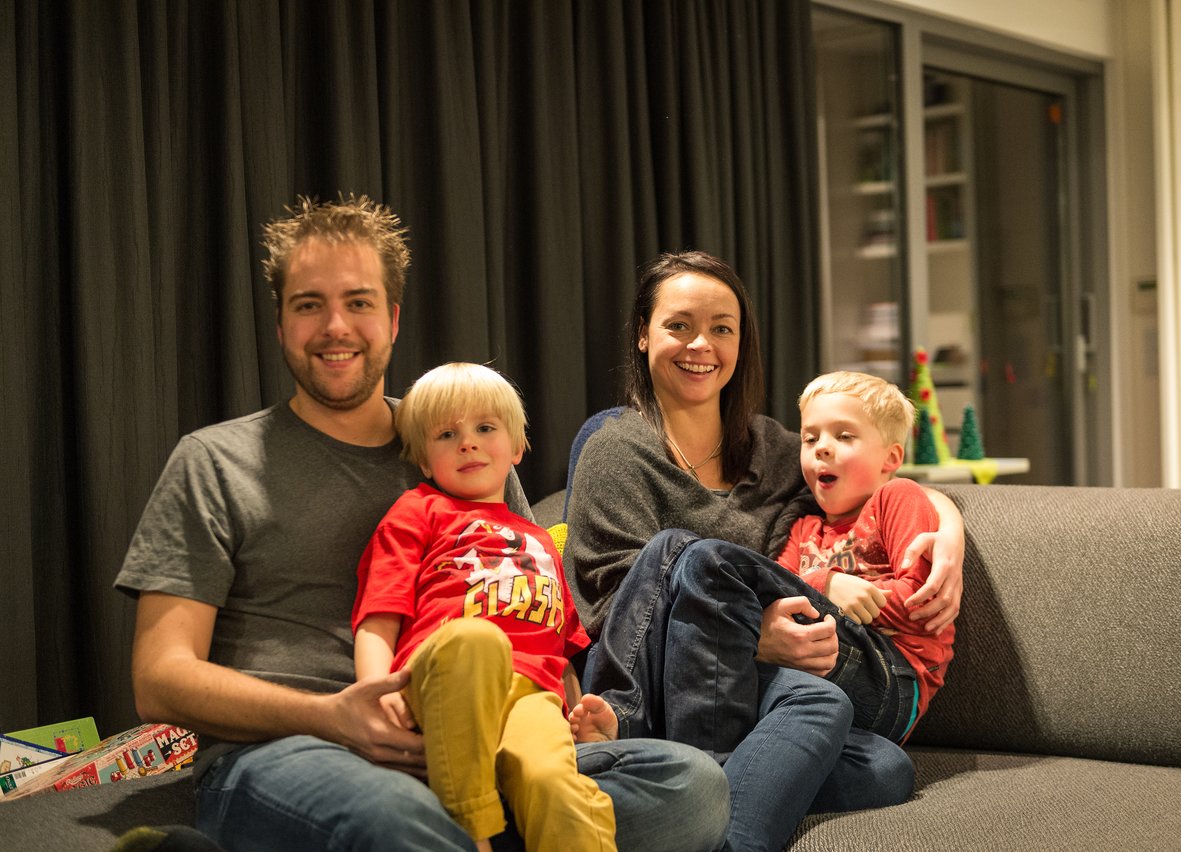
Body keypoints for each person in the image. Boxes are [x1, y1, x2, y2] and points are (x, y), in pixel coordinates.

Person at [114, 197, 729, 852]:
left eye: (358, 302)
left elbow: (533, 614)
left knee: (692, 786)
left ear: (393, 318)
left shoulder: (463, 437)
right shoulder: (214, 461)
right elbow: (159, 679)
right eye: (307, 305)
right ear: (279, 322)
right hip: (292, 751)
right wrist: (334, 716)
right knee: (402, 823)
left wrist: (568, 715)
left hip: (482, 732)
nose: (335, 327)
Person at [565, 251, 965, 852]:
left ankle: (690, 794)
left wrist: (948, 522)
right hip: (659, 678)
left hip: (763, 681)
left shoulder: (780, 449)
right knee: (692, 554)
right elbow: (619, 605)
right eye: (679, 325)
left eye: (722, 328)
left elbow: (872, 489)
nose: (702, 344)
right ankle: (696, 775)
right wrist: (749, 632)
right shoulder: (616, 448)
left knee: (883, 765)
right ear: (644, 334)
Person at [352, 362, 616, 852]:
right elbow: (378, 614)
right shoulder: (418, 510)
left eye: (485, 428)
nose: (468, 442)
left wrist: (577, 718)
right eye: (447, 433)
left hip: (530, 696)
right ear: (425, 460)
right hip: (444, 681)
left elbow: (561, 651)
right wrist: (374, 692)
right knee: (477, 639)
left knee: (555, 784)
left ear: (516, 447)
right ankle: (472, 834)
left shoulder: (540, 539)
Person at [778, 370, 955, 739]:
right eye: (810, 438)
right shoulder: (804, 528)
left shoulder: (897, 498)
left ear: (890, 458)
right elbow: (774, 593)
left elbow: (921, 603)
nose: (822, 447)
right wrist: (825, 584)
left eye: (844, 436)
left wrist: (830, 597)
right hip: (813, 681)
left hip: (892, 678)